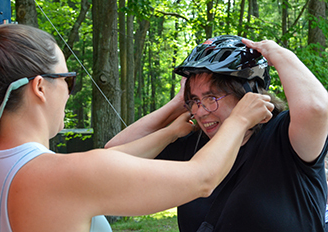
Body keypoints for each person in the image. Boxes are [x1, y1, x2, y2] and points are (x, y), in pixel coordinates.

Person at [0, 8, 274, 232]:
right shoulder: (63, 175)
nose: (69, 93)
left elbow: (109, 157)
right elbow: (203, 179)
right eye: (68, 79)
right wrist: (240, 118)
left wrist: (170, 131)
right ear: (40, 87)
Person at [106, 35, 328, 231]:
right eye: (194, 100)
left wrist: (275, 52)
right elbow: (113, 156)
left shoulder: (283, 135)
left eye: (212, 98)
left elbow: (317, 108)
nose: (200, 111)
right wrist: (177, 104)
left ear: (246, 93)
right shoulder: (194, 143)